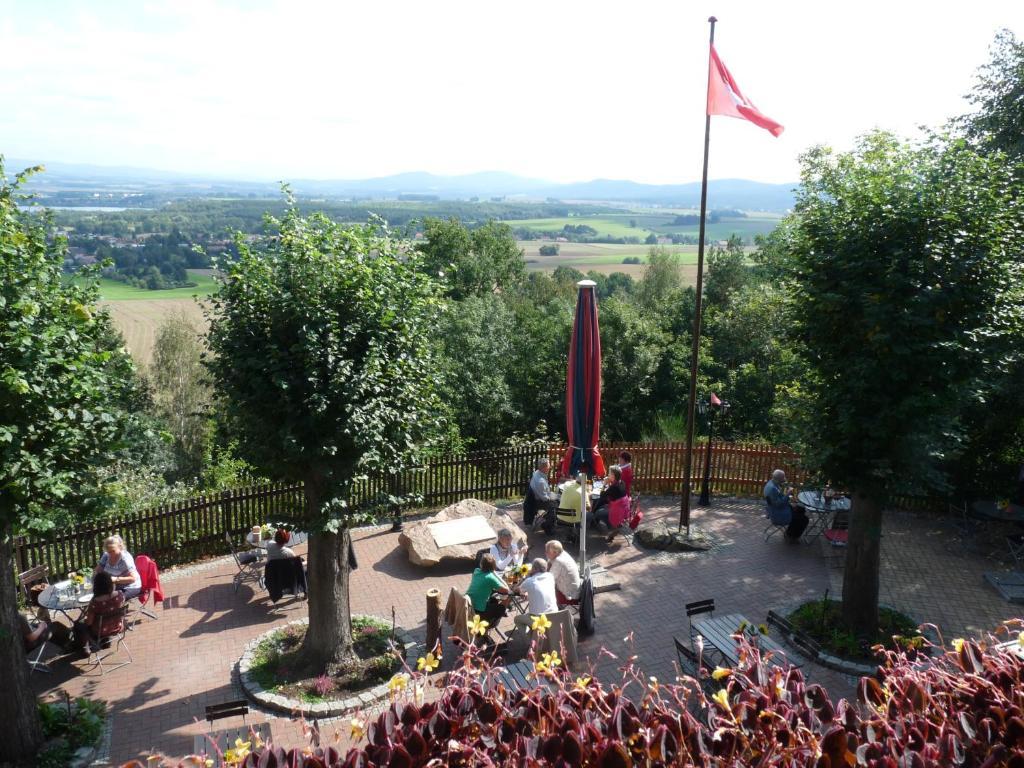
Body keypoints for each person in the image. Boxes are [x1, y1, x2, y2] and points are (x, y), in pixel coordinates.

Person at [74, 571, 126, 652]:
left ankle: (85, 649)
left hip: (99, 631)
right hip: (117, 627)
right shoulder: (120, 595)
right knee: (106, 619)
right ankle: (105, 642)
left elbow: (89, 623)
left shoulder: (95, 602)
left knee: (78, 624)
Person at [512, 559, 559, 634]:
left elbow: (515, 590)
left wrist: (525, 577)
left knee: (517, 620)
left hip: (538, 619)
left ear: (534, 569)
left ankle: (531, 642)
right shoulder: (550, 576)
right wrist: (529, 591)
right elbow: (539, 588)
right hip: (555, 616)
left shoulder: (530, 581)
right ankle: (535, 636)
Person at [466, 554, 511, 625]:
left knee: (493, 600)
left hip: (469, 603)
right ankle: (491, 624)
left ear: (481, 564)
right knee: (504, 604)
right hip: (478, 611)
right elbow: (506, 590)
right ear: (493, 566)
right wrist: (495, 573)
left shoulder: (476, 570)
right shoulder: (490, 578)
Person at [764, 469, 809, 541]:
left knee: (801, 509)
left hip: (777, 509)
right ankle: (791, 536)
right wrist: (788, 494)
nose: (784, 479)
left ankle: (790, 533)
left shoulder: (772, 483)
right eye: (783, 477)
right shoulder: (772, 488)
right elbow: (778, 504)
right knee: (804, 519)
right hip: (778, 514)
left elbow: (778, 498)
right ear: (779, 479)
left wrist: (787, 496)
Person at [95, 534, 142, 599]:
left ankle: (116, 608)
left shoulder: (125, 559)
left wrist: (115, 579)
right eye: (109, 551)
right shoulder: (106, 555)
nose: (111, 554)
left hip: (130, 587)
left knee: (110, 599)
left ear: (120, 547)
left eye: (113, 551)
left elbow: (133, 578)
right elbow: (97, 570)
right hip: (114, 586)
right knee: (97, 596)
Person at [588, 466, 628, 530]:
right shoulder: (622, 483)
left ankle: (611, 525)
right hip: (622, 510)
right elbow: (613, 494)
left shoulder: (614, 487)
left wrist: (604, 484)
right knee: (600, 503)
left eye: (609, 473)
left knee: (598, 511)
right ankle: (594, 522)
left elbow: (602, 495)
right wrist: (610, 483)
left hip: (616, 513)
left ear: (613, 475)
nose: (608, 475)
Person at [545, 540, 582, 608]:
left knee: (544, 593)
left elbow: (549, 579)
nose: (546, 553)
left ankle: (552, 613)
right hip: (575, 590)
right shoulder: (562, 553)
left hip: (570, 595)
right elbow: (549, 562)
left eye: (547, 552)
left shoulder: (559, 561)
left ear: (555, 552)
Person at [529, 458, 560, 531]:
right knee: (556, 505)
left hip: (534, 498)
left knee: (556, 500)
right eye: (548, 466)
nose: (550, 468)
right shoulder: (540, 482)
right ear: (543, 468)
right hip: (538, 502)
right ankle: (547, 525)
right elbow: (545, 498)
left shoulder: (537, 473)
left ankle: (547, 517)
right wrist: (554, 498)